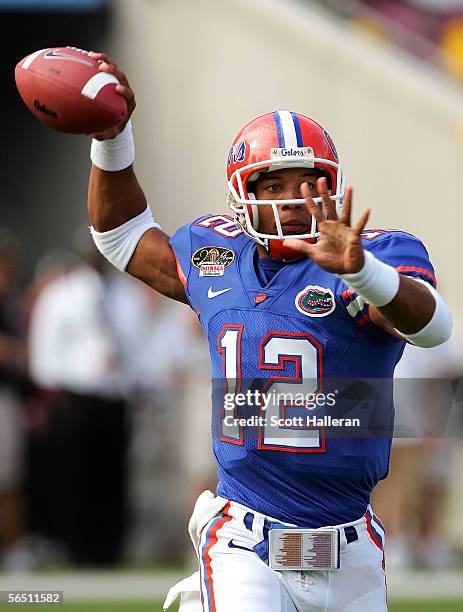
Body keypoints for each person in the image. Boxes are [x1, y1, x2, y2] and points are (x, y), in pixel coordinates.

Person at [83, 53, 452, 611]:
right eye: (273, 184)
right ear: (242, 192)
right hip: (244, 541)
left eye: (308, 184)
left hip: (350, 549)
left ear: (333, 186)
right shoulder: (214, 253)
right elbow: (122, 236)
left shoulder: (377, 255)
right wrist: (112, 139)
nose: (291, 200)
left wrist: (361, 273)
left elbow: (432, 327)